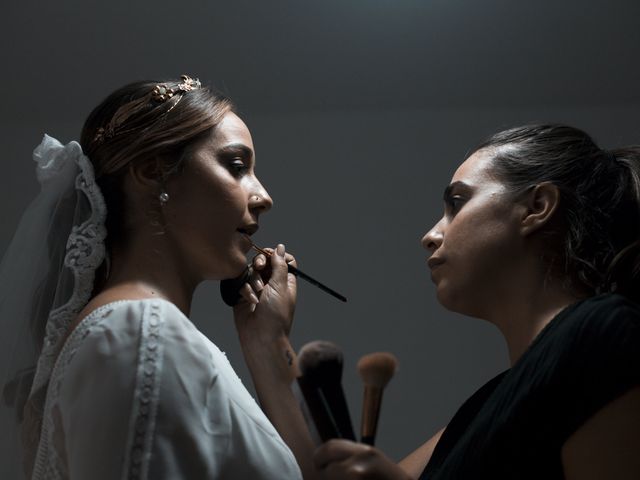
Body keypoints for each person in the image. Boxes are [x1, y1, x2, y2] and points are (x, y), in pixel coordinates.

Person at [0, 75, 318, 479]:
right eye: (237, 167)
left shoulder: (142, 332)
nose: (264, 197)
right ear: (152, 172)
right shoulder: (138, 333)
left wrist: (267, 344)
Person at [309, 124, 640, 479]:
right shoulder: (481, 409)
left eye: (457, 203)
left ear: (537, 207)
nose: (430, 236)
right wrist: (267, 341)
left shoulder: (606, 333)